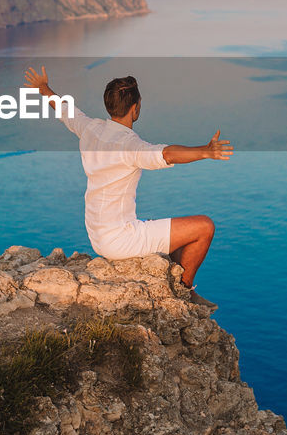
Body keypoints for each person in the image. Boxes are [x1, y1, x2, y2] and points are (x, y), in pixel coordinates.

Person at [23, 66, 232, 305]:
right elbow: (167, 154)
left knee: (171, 230)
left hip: (97, 234)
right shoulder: (131, 146)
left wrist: (43, 88)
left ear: (108, 106)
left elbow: (65, 110)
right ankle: (185, 292)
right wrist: (204, 151)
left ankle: (174, 276)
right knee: (204, 226)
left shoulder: (90, 129)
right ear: (136, 108)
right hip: (119, 240)